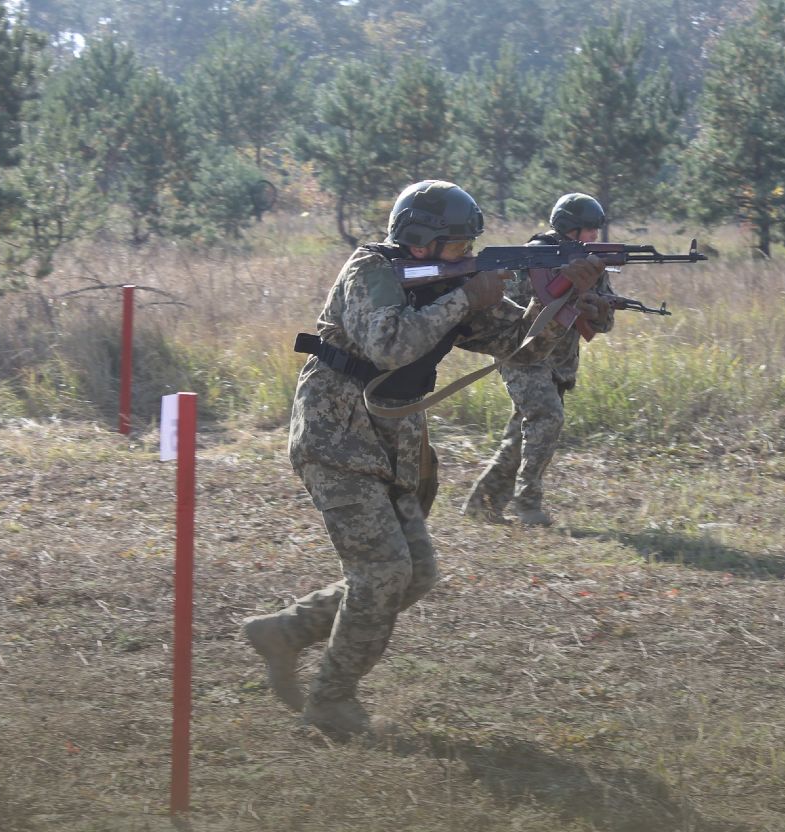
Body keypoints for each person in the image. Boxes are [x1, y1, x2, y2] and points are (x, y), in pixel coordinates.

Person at [242, 181, 607, 739]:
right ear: (421, 243)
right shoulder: (370, 271)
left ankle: (287, 633)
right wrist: (465, 296)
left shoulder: (453, 282)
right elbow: (390, 344)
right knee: (385, 571)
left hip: (395, 440)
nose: (467, 257)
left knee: (415, 574)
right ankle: (331, 701)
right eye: (459, 247)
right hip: (335, 437)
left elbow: (523, 350)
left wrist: (559, 299)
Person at [462, 193, 614, 526]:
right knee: (547, 418)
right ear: (570, 229)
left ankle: (482, 504)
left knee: (522, 436)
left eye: (596, 230)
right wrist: (561, 293)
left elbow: (604, 323)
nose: (594, 236)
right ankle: (528, 505)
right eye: (588, 229)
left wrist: (596, 309)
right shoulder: (531, 259)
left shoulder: (592, 264)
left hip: (559, 362)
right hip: (522, 356)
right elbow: (511, 316)